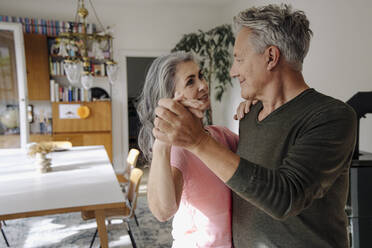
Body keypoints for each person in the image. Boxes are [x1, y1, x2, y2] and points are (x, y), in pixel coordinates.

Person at [153, 4, 357, 248]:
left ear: (271, 57)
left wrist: (198, 141)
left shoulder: (331, 116)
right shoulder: (249, 116)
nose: (232, 71)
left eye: (239, 59)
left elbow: (286, 197)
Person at [137, 52, 240, 248]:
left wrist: (256, 110)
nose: (203, 85)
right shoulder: (178, 151)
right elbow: (163, 211)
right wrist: (162, 141)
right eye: (190, 82)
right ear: (170, 99)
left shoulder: (221, 135)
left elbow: (257, 164)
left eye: (200, 76)